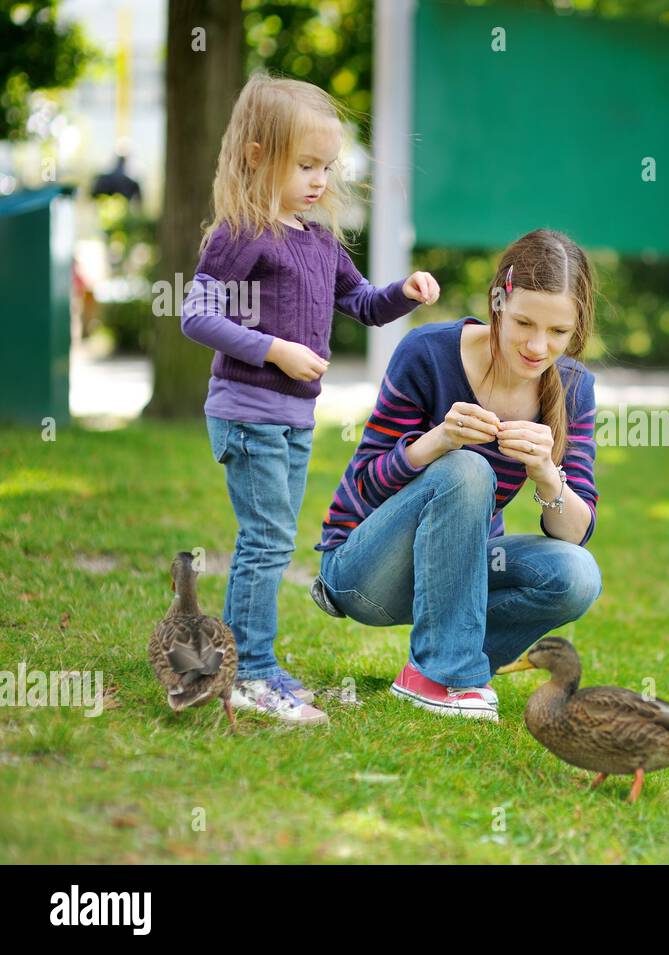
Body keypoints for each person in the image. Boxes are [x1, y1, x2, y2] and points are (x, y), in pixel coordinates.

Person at [181, 72, 440, 725]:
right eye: (306, 165)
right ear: (258, 156)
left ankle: (254, 664)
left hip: (293, 417)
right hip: (249, 412)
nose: (321, 179)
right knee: (265, 542)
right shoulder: (243, 232)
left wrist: (404, 292)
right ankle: (250, 673)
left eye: (328, 165)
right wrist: (272, 348)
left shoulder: (319, 238)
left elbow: (362, 303)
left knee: (272, 538)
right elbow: (196, 314)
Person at [313, 229, 603, 724]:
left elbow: (576, 533)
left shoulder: (574, 388)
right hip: (366, 571)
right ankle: (448, 675)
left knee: (578, 576)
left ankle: (436, 669)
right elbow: (363, 485)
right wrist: (438, 442)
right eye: (524, 323)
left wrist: (547, 475)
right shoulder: (428, 353)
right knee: (468, 467)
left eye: (557, 332)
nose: (538, 346)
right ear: (497, 302)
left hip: (462, 573)